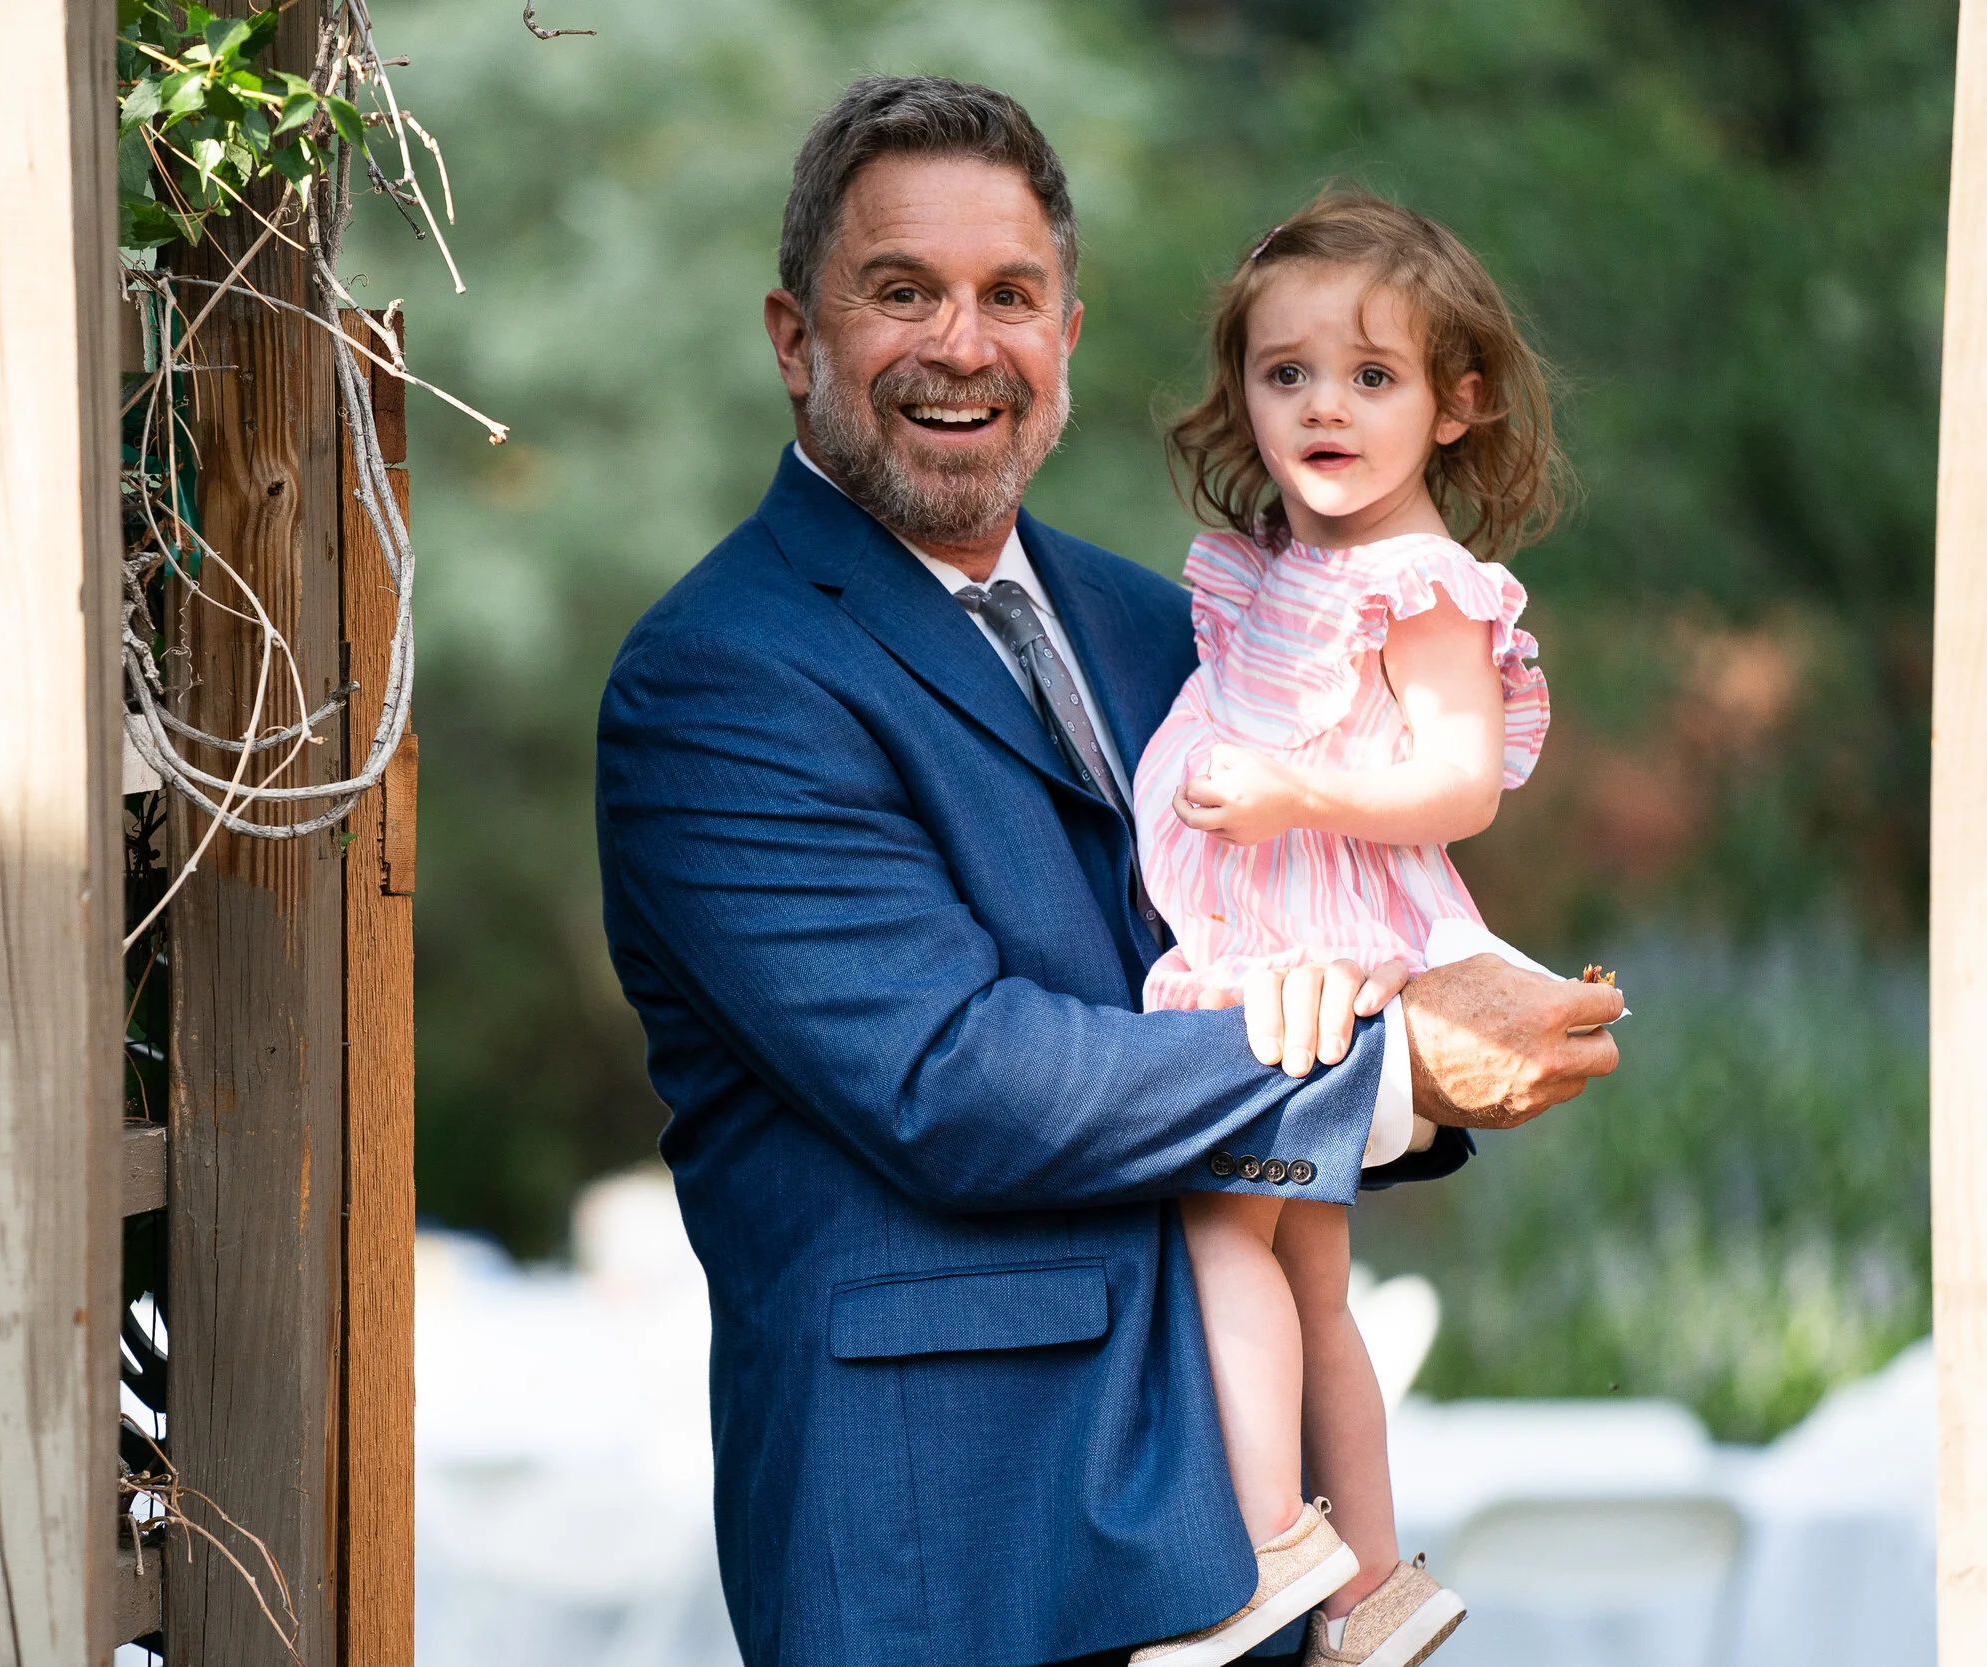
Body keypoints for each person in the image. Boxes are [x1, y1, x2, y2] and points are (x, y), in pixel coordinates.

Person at [594, 76, 1624, 1667]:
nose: (963, 342)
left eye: (1010, 295)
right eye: (901, 292)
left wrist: (1374, 991)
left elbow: (1291, 914)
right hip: (955, 1558)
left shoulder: (1170, 629)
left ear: (1067, 335)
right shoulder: (722, 679)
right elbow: (955, 1079)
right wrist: (1389, 1062)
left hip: (1243, 1564)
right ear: (796, 339)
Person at [1128, 194, 1569, 1667]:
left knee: (1215, 1224)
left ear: (1457, 403)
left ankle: (1265, 1547)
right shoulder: (1292, 563)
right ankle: (1370, 1587)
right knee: (1314, 1276)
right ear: (1240, 390)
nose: (1325, 406)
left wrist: (1292, 786)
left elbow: (1457, 780)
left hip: (1310, 949)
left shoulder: (1420, 581)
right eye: (1286, 373)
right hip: (1278, 933)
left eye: (1373, 377)